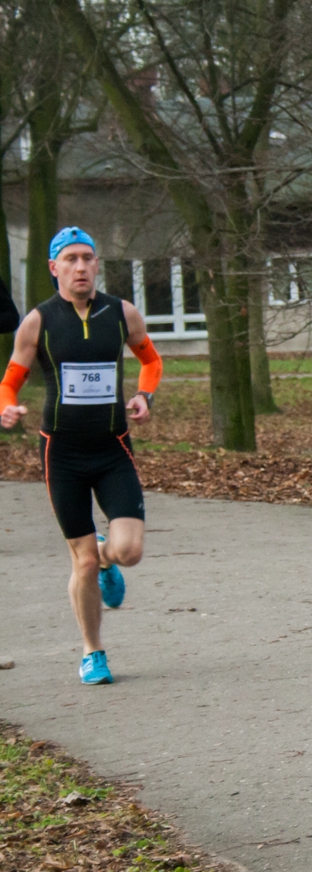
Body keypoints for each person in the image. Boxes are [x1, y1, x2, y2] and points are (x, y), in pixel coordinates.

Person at [0, 226, 163, 685]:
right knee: (83, 560)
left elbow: (151, 361)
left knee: (128, 551)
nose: (81, 267)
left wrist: (144, 396)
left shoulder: (121, 313)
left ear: (96, 265)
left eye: (87, 258)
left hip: (113, 448)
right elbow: (10, 380)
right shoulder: (39, 321)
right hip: (63, 454)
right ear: (54, 268)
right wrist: (6, 406)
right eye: (70, 259)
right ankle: (93, 651)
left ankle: (109, 561)